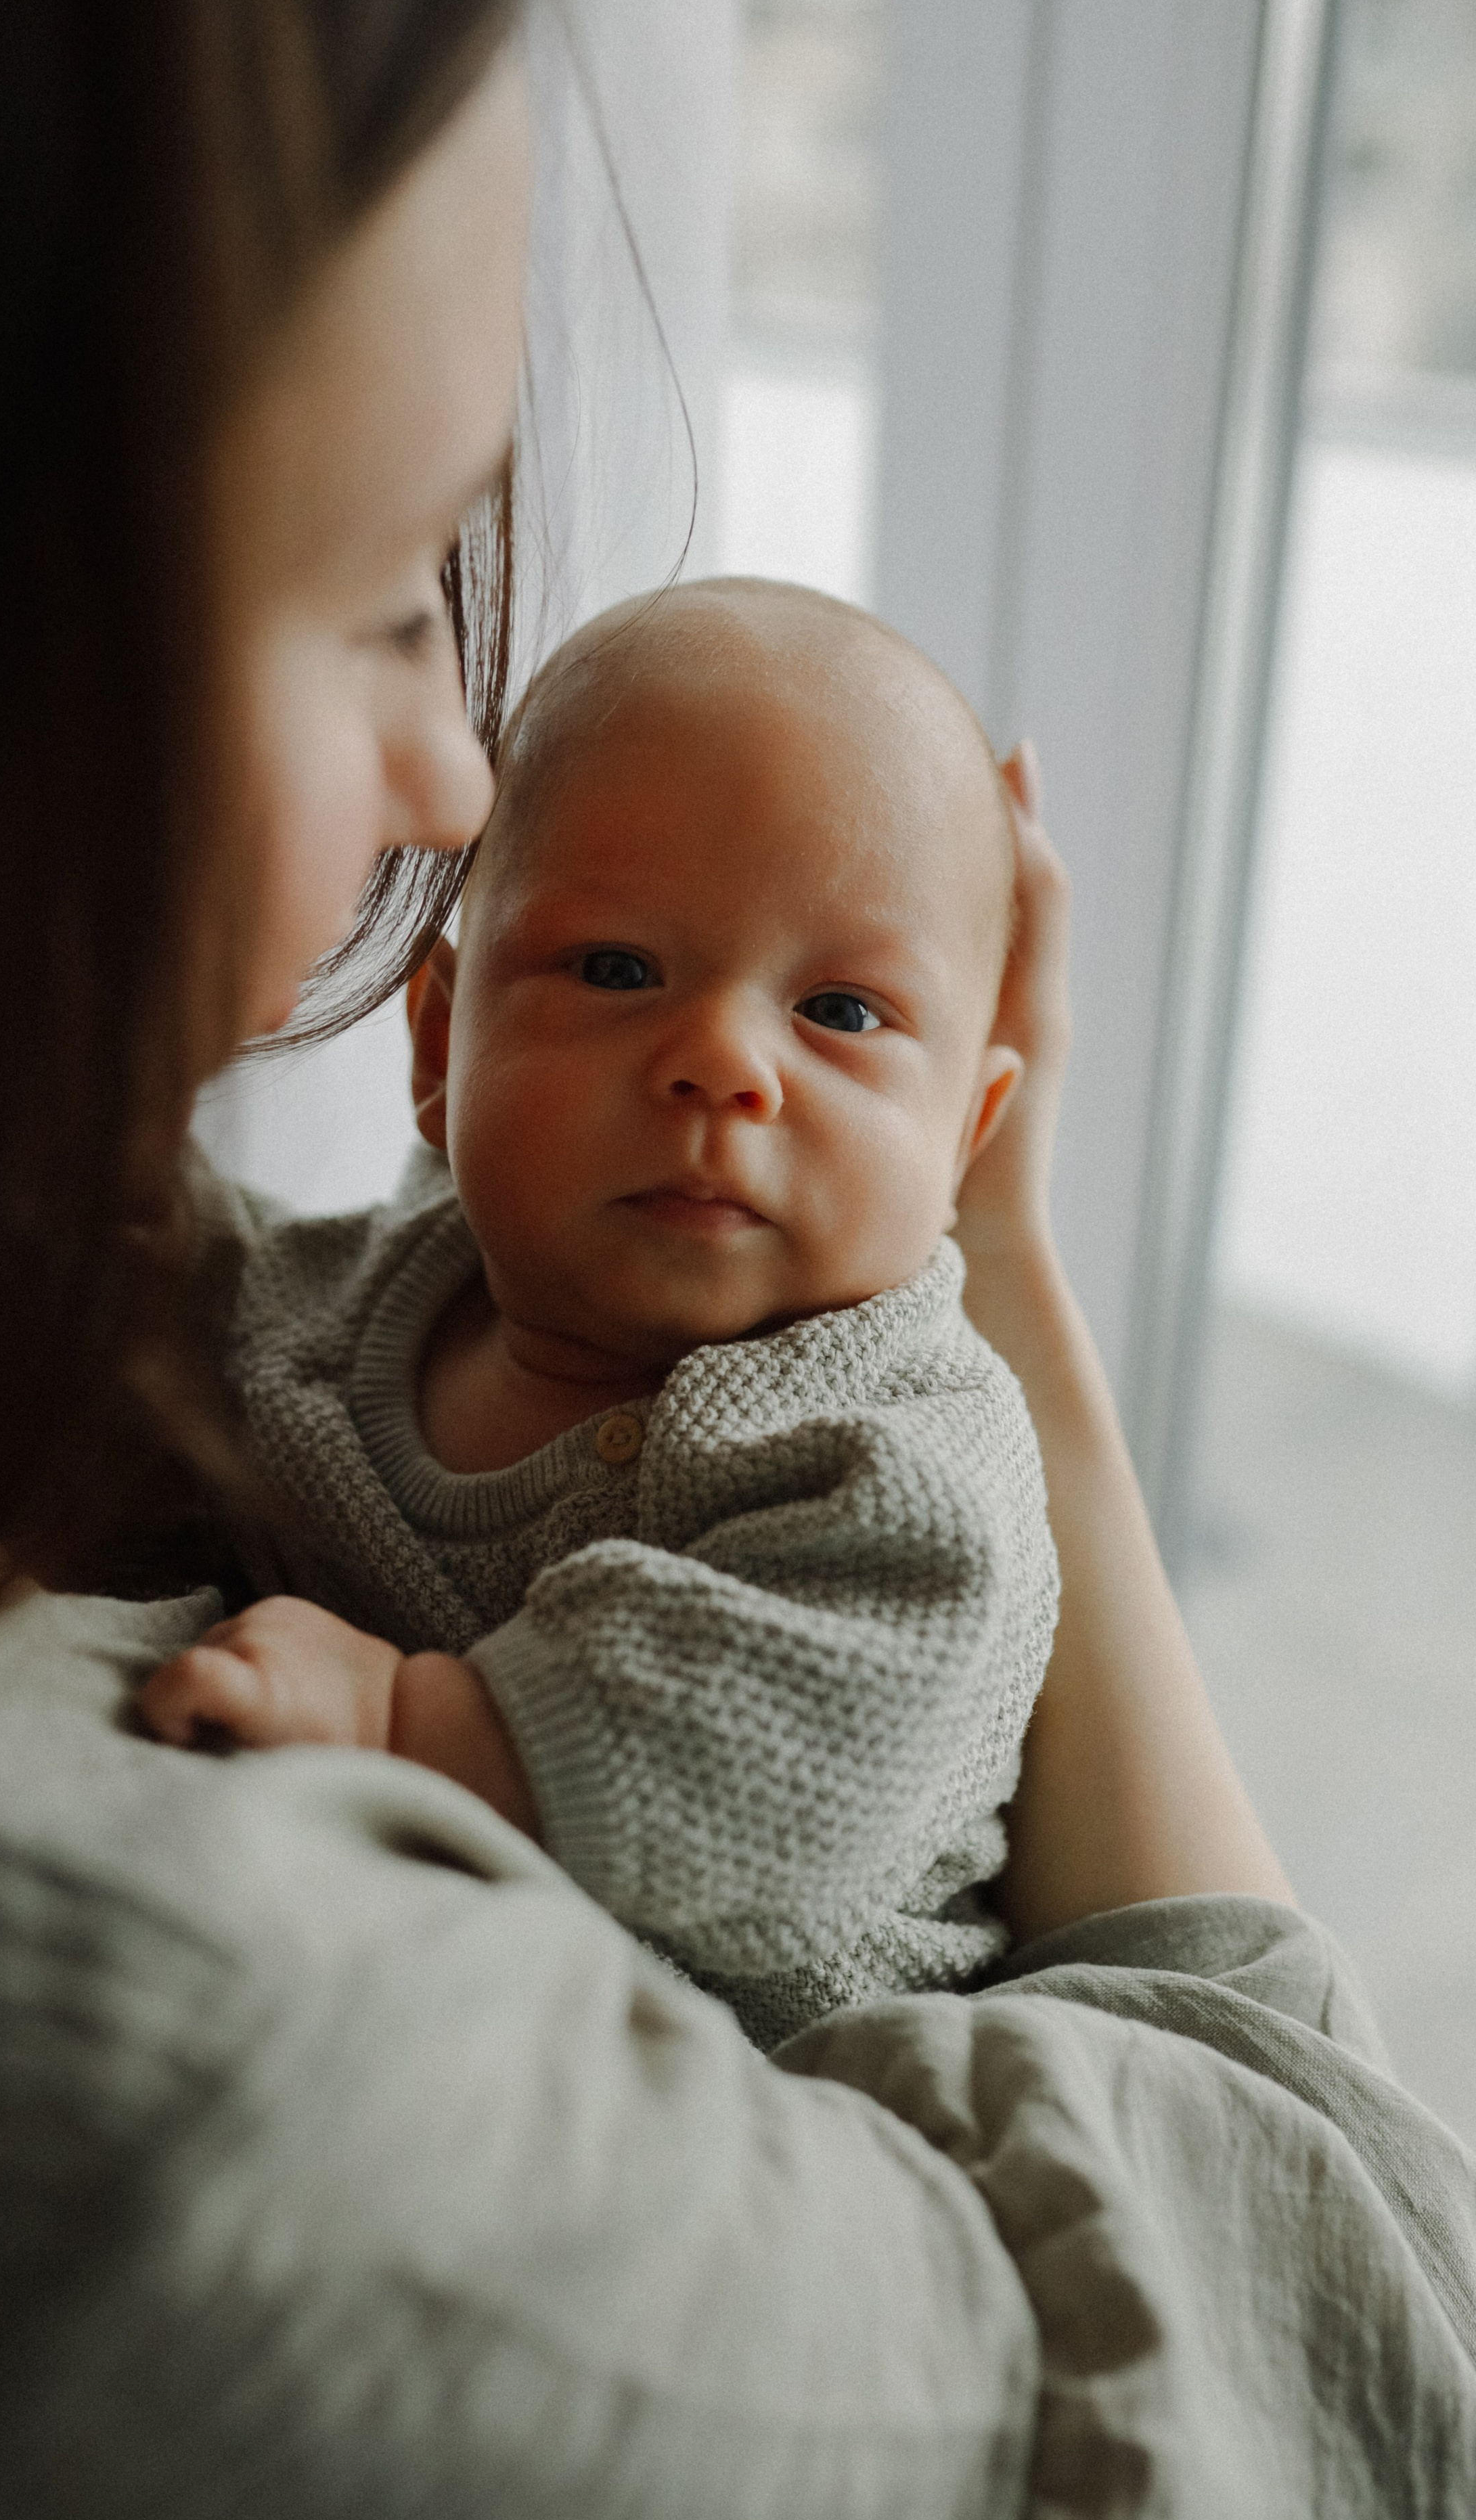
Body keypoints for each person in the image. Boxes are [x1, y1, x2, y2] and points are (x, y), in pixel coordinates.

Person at [0, 0, 1474, 2520]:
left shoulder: (861, 1459)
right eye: (367, 591)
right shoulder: (162, 2102)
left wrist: (979, 1309)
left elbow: (799, 1687)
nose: (452, 764)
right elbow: (1378, 2367)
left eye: (852, 1011)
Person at [137, 578, 1063, 2052]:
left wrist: (406, 1725)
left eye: (838, 1012)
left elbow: (799, 1748)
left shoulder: (894, 1453)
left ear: (965, 1131)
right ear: (439, 1046)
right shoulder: (372, 1298)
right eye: (617, 969)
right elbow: (196, 1294)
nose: (719, 1061)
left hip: (787, 2079)